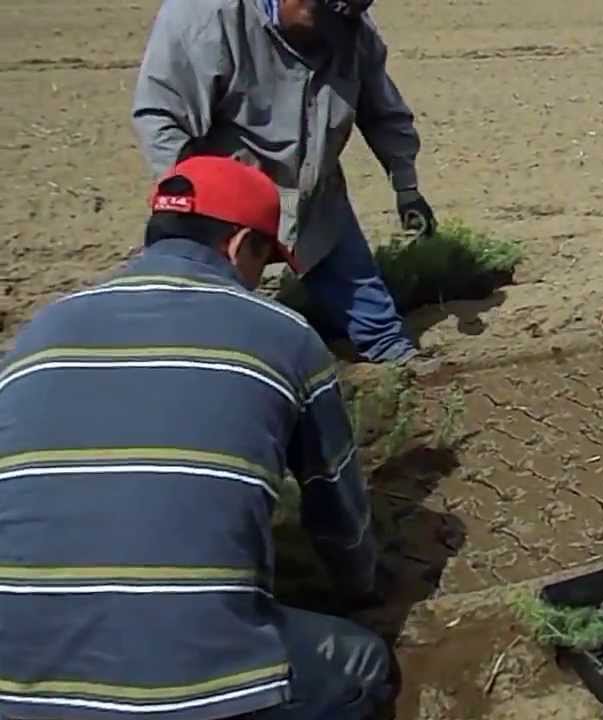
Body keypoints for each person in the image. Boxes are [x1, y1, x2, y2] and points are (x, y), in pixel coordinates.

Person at [0, 156, 393, 720]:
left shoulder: (38, 333)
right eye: (263, 259)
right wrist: (361, 590)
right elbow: (338, 516)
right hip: (188, 691)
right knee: (364, 666)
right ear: (240, 246)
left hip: (17, 687)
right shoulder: (284, 334)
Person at [132, 0, 434, 365]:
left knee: (372, 313)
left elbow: (383, 113)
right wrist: (194, 206)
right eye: (325, 18)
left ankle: (396, 359)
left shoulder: (351, 30)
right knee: (202, 310)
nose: (334, 35)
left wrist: (406, 187)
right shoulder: (206, 16)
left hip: (314, 194)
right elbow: (161, 117)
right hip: (228, 200)